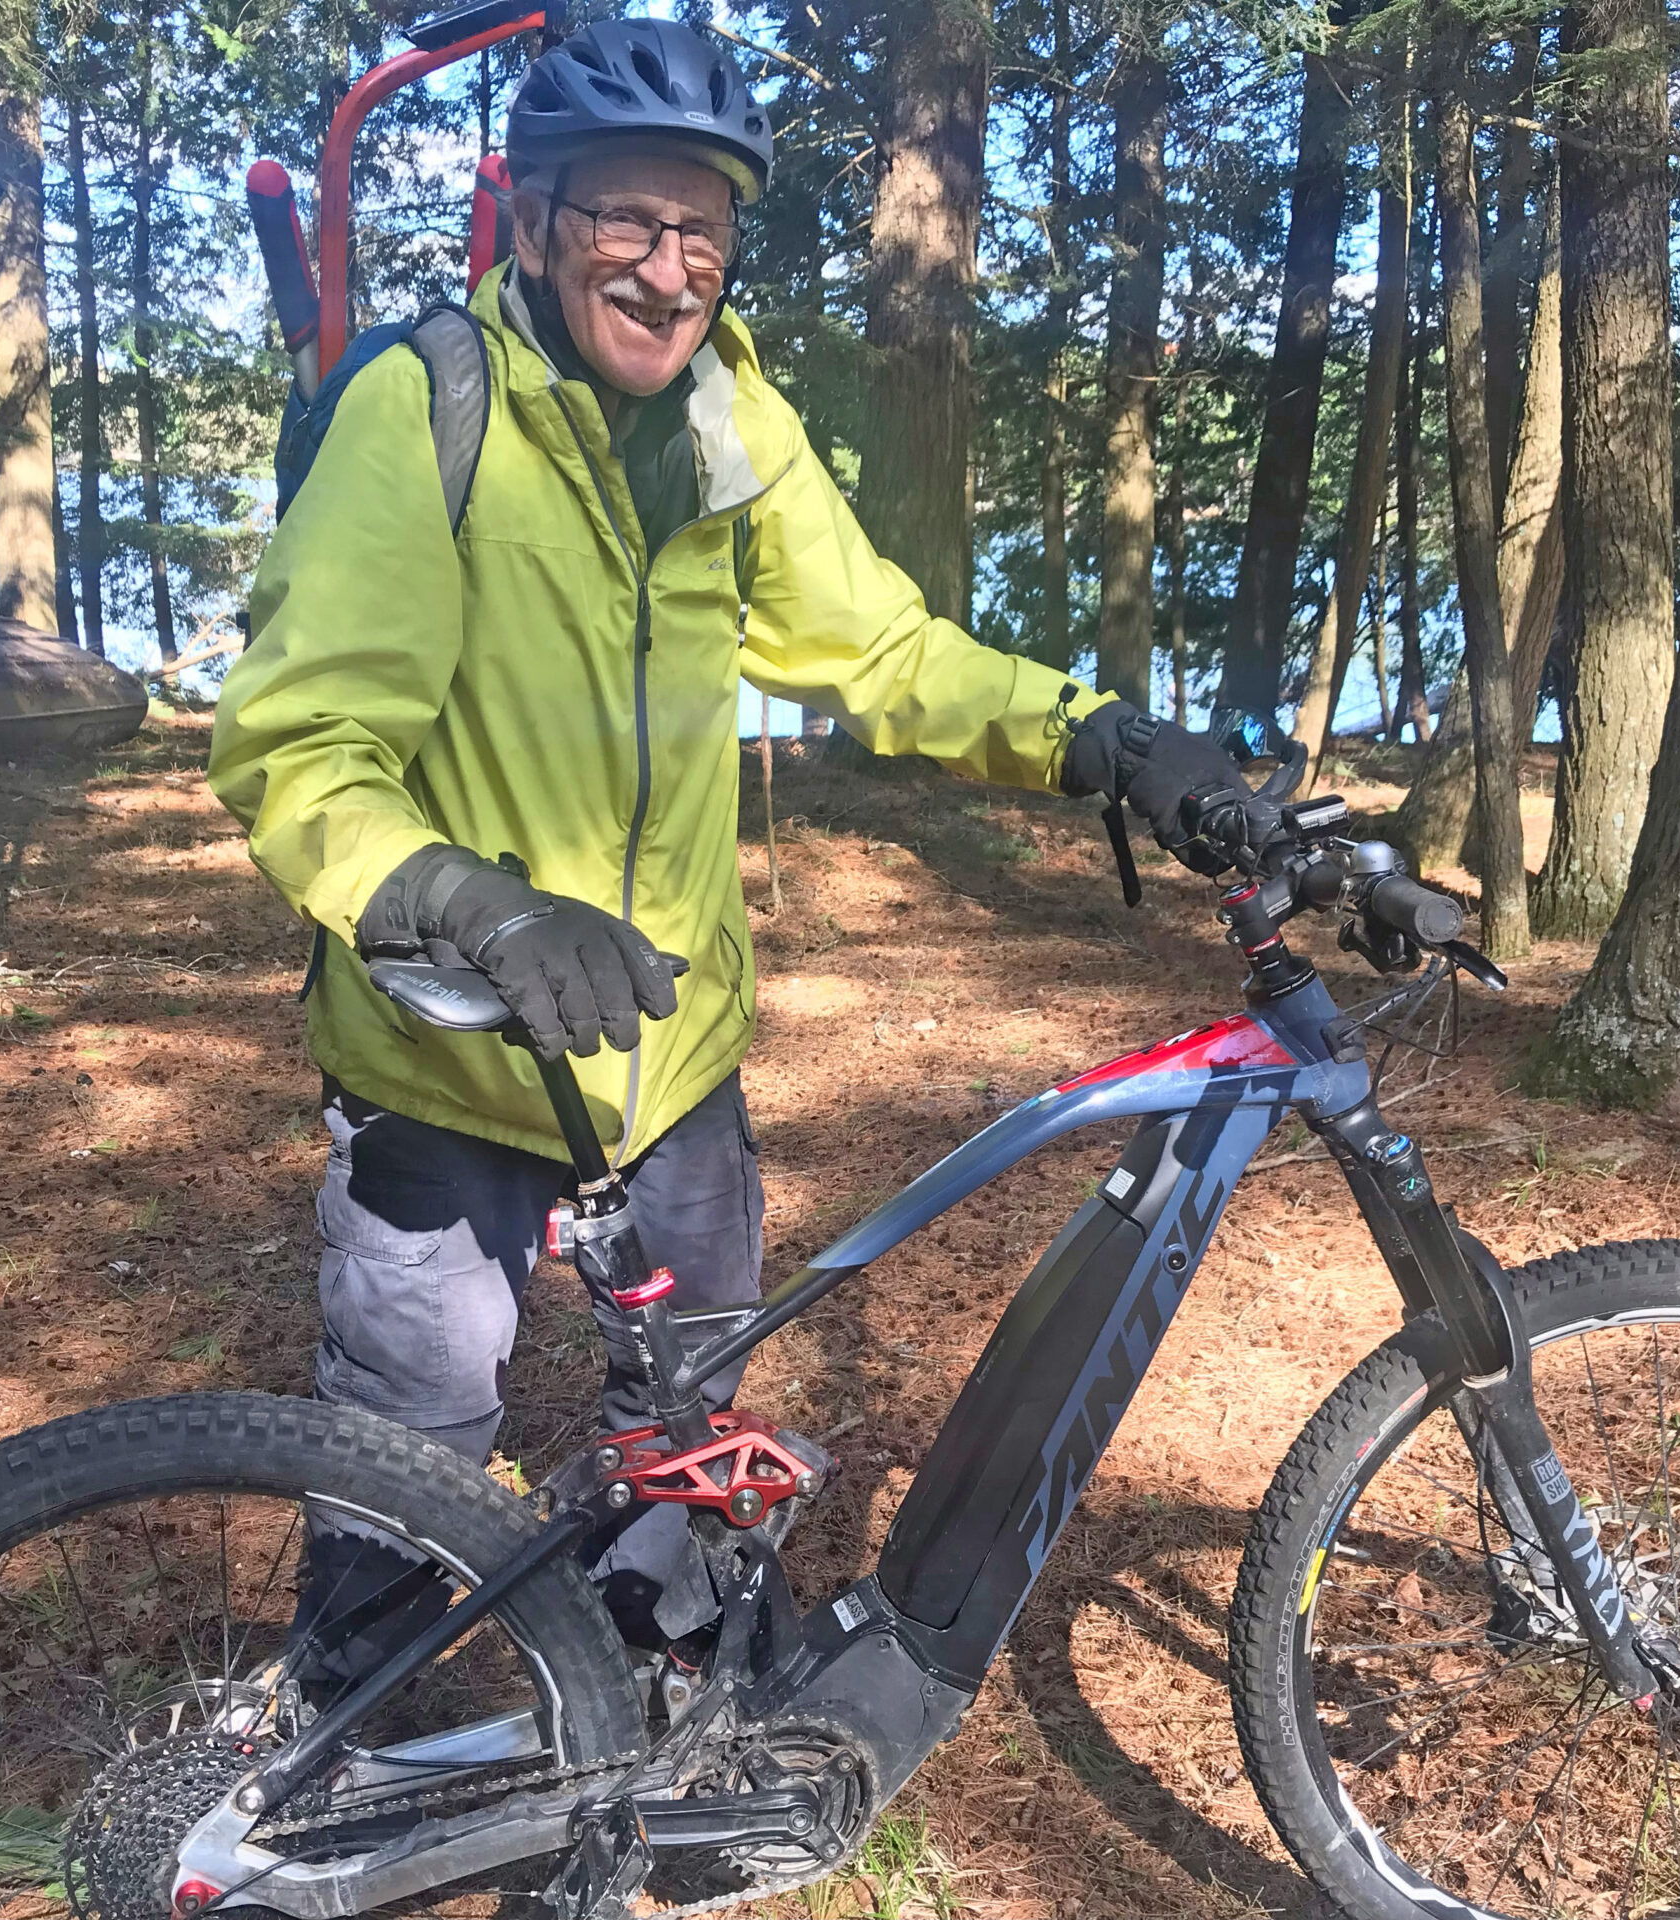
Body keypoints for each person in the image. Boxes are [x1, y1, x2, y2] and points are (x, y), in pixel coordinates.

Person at [209, 16, 1272, 1658]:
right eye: (628, 220)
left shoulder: (730, 424)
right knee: (411, 1438)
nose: (668, 268)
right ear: (537, 222)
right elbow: (300, 743)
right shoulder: (427, 411)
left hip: (668, 1046)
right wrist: (463, 899)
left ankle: (659, 1682)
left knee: (690, 1404)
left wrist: (1102, 736)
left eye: (702, 229)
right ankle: (336, 1750)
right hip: (453, 1047)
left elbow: (882, 652)